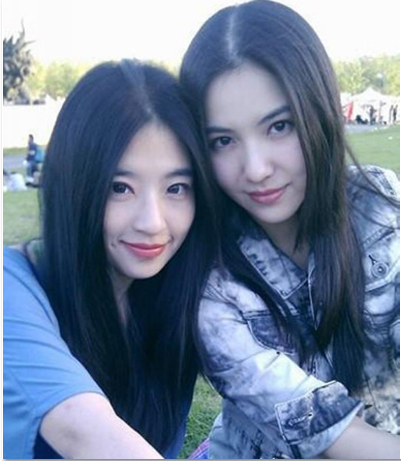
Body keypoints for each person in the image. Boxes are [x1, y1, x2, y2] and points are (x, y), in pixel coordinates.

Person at [180, 1, 400, 458]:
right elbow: (326, 431)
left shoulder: (378, 205)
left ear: (318, 112)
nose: (256, 169)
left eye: (279, 126)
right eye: (223, 140)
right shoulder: (207, 276)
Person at [4, 59, 219, 459]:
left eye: (176, 188)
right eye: (120, 188)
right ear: (74, 186)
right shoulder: (10, 287)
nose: (152, 223)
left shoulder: (175, 296)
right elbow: (79, 428)